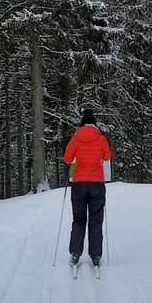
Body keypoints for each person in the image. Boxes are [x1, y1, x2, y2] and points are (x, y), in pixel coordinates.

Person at [62, 108, 111, 267]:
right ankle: (95, 255)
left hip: (79, 185)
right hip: (96, 184)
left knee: (79, 219)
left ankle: (76, 253)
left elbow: (67, 159)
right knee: (96, 220)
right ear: (95, 125)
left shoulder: (75, 139)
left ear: (82, 124)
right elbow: (107, 157)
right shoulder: (101, 139)